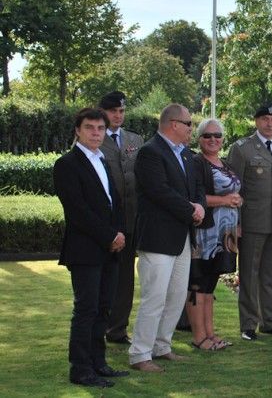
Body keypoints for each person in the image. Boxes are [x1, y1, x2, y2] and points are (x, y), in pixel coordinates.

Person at [54, 108, 128, 387]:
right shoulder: (67, 164)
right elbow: (78, 211)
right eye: (90, 128)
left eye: (100, 128)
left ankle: (99, 362)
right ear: (78, 130)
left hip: (110, 248)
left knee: (104, 307)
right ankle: (80, 369)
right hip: (85, 249)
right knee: (86, 309)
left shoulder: (104, 160)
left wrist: (119, 232)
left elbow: (114, 202)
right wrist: (109, 235)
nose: (96, 133)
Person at [129, 104, 206, 372]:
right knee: (155, 297)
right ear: (174, 124)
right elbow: (158, 191)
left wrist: (200, 206)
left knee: (175, 297)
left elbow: (196, 188)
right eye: (188, 124)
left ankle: (162, 346)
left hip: (182, 236)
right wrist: (191, 210)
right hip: (158, 237)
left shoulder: (186, 155)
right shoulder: (150, 153)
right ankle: (140, 354)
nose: (190, 129)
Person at [228, 102, 272, 340]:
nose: (270, 124)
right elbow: (234, 189)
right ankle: (248, 324)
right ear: (257, 121)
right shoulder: (242, 149)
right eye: (266, 119)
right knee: (249, 273)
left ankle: (270, 322)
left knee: (270, 275)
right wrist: (236, 222)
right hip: (251, 221)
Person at [187, 118, 241, 349]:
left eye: (217, 135)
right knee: (198, 285)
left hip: (225, 234)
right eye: (207, 136)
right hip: (204, 234)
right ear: (199, 139)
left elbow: (234, 192)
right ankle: (199, 337)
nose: (212, 140)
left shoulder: (225, 164)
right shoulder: (196, 163)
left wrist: (237, 200)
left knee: (210, 285)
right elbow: (193, 197)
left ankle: (211, 333)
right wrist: (225, 200)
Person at [98, 91, 144, 346]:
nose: (118, 115)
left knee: (125, 278)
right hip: (106, 223)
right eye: (114, 110)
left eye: (122, 111)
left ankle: (117, 329)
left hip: (132, 220)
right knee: (104, 278)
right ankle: (99, 328)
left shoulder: (134, 139)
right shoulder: (93, 138)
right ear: (103, 111)